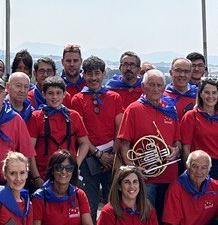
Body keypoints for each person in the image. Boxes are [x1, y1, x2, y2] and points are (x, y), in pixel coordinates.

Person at [113, 69, 181, 214]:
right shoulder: (133, 109)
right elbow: (124, 145)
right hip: (145, 177)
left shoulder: (170, 109)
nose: (155, 89)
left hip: (169, 175)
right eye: (151, 85)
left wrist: (176, 151)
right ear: (143, 87)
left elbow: (177, 142)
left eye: (159, 85)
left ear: (164, 87)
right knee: (146, 216)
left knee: (168, 218)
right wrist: (134, 169)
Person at [68, 55, 124, 210]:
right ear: (83, 75)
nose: (93, 78)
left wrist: (112, 155)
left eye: (97, 73)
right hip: (88, 158)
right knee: (89, 204)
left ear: (103, 74)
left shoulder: (114, 97)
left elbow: (119, 128)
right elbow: (80, 133)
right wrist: (99, 155)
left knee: (113, 204)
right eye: (89, 74)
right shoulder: (77, 99)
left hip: (112, 158)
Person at [179, 77, 218, 182]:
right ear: (200, 94)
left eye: (214, 93)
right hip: (200, 168)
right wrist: (188, 172)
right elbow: (186, 147)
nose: (211, 96)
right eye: (207, 92)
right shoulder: (191, 116)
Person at [29, 76, 92, 173]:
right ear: (44, 95)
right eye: (50, 93)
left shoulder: (74, 116)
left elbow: (84, 142)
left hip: (67, 172)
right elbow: (30, 150)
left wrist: (77, 163)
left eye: (58, 93)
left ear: (64, 94)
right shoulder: (36, 117)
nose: (55, 97)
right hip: (43, 172)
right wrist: (36, 177)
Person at [0, 76, 36, 185]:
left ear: (4, 94)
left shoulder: (15, 119)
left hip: (8, 183)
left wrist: (35, 178)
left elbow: (27, 153)